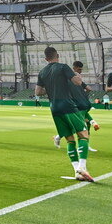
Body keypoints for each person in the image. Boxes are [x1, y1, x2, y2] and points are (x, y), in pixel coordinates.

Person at [35, 47, 95, 181]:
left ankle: (76, 172)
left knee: (69, 139)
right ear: (58, 55)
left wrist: (51, 89)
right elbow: (77, 82)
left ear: (46, 59)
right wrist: (78, 77)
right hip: (67, 105)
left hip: (54, 108)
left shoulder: (42, 72)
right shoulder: (63, 67)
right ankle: (82, 167)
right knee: (83, 135)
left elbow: (38, 92)